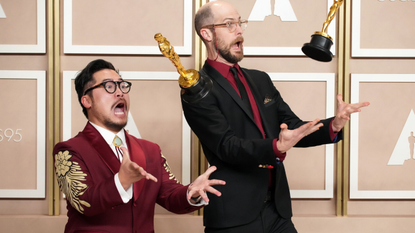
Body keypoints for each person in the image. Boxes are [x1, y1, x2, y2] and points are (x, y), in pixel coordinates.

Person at [181, 1, 370, 233]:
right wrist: (276, 146)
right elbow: (226, 146)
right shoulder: (198, 89)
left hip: (277, 212)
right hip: (233, 216)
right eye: (229, 24)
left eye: (240, 23)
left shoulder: (260, 80)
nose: (239, 30)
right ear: (207, 33)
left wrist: (334, 124)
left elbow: (293, 127)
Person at [53, 59, 226, 233]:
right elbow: (83, 202)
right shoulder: (69, 150)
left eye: (122, 86)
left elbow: (170, 195)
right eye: (109, 87)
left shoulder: (150, 150)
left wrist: (192, 192)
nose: (120, 92)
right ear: (86, 101)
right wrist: (121, 181)